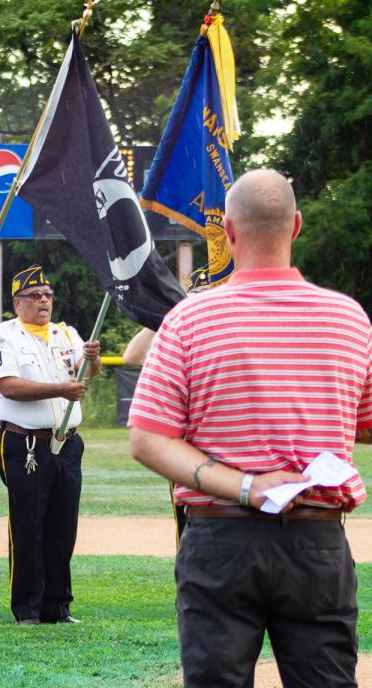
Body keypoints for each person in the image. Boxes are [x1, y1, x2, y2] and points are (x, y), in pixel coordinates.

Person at [128, 169, 372, 688]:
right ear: (297, 227)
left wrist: (246, 485)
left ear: (230, 233)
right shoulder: (349, 319)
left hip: (220, 536)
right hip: (316, 538)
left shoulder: (190, 319)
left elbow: (148, 439)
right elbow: (366, 422)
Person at [0, 265, 101, 624]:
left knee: (63, 526)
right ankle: (27, 608)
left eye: (47, 295)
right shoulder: (4, 337)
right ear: (17, 303)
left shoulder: (66, 333)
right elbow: (8, 386)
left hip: (66, 441)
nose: (43, 301)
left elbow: (85, 373)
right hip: (25, 442)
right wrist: (59, 390)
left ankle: (58, 605)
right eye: (34, 296)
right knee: (28, 525)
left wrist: (92, 360)